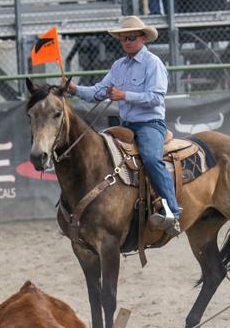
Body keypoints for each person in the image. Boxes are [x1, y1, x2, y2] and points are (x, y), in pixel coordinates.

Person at [63, 15, 180, 233]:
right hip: (126, 125)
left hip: (150, 124)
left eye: (131, 38)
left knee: (152, 159)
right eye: (123, 39)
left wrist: (124, 95)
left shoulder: (153, 63)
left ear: (143, 38)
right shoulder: (118, 66)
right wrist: (75, 90)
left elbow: (156, 98)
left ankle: (173, 211)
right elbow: (98, 92)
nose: (126, 42)